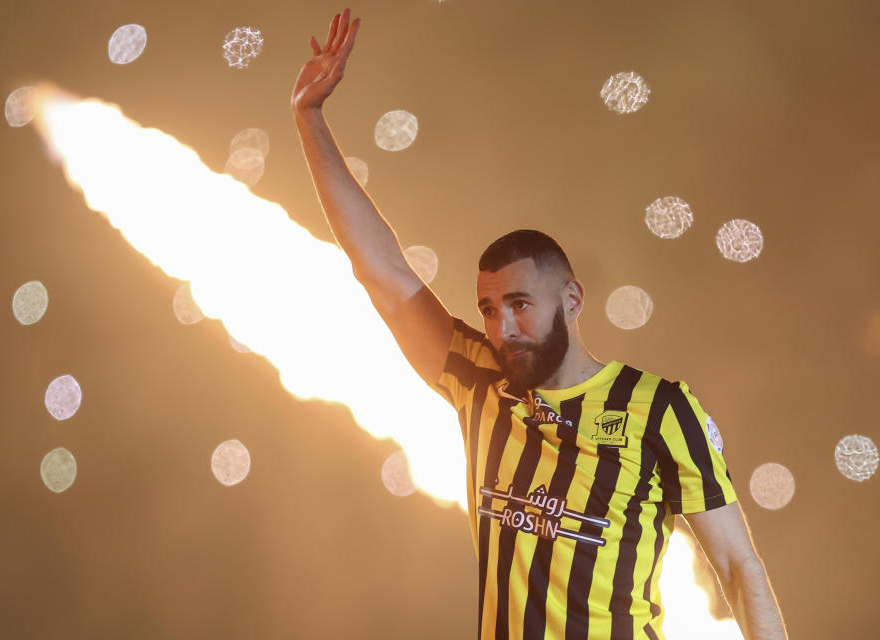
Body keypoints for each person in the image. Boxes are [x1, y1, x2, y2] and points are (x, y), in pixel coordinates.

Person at [290, 9, 787, 640]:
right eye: (490, 310)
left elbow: (739, 567)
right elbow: (382, 270)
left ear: (573, 300)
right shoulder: (476, 380)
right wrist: (308, 119)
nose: (504, 327)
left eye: (521, 305)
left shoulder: (660, 409)